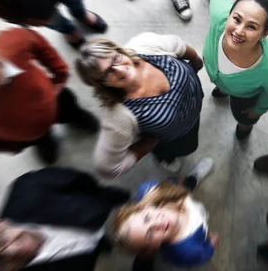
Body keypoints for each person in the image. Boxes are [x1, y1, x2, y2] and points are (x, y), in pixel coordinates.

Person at [0, 20, 98, 165]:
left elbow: (35, 41)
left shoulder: (14, 41)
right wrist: (4, 146)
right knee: (39, 138)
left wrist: (60, 73)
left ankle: (77, 117)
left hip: (56, 98)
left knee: (70, 109)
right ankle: (44, 141)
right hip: (25, 134)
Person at [75, 33, 204, 177]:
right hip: (176, 137)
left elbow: (178, 45)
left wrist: (196, 60)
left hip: (194, 113)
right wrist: (146, 145)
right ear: (101, 84)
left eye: (116, 59)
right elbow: (107, 167)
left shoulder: (145, 45)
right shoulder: (118, 115)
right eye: (107, 73)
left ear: (119, 50)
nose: (120, 69)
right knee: (181, 149)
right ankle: (167, 158)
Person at [0, 167, 130, 271]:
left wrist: (104, 194)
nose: (13, 250)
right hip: (85, 256)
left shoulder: (28, 187)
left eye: (1, 241)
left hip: (99, 205)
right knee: (100, 245)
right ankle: (100, 244)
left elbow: (80, 180)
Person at [204, 0, 268, 139]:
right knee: (222, 82)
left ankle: (244, 127)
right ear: (229, 14)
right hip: (223, 82)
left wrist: (258, 110)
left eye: (251, 27)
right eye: (236, 19)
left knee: (243, 116)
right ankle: (222, 89)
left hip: (244, 97)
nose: (239, 31)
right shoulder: (218, 16)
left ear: (264, 34)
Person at [112, 157, 216, 271]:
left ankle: (194, 177)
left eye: (147, 218)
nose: (157, 223)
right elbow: (203, 255)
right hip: (199, 223)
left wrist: (176, 184)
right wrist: (210, 245)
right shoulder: (189, 251)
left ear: (146, 207)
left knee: (186, 187)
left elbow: (166, 185)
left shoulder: (151, 191)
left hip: (181, 195)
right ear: (154, 247)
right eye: (150, 234)